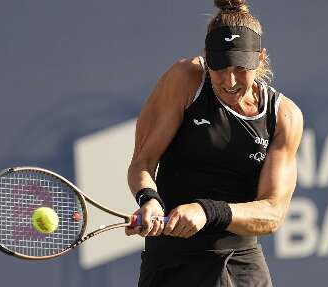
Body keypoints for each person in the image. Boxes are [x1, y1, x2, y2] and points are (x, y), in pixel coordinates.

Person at [125, 0, 303, 286]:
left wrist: (206, 211)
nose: (229, 80)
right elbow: (142, 163)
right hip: (172, 266)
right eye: (219, 67)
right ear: (207, 56)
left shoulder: (283, 116)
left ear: (260, 58)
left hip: (242, 268)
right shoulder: (185, 80)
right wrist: (149, 199)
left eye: (240, 67)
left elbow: (273, 212)